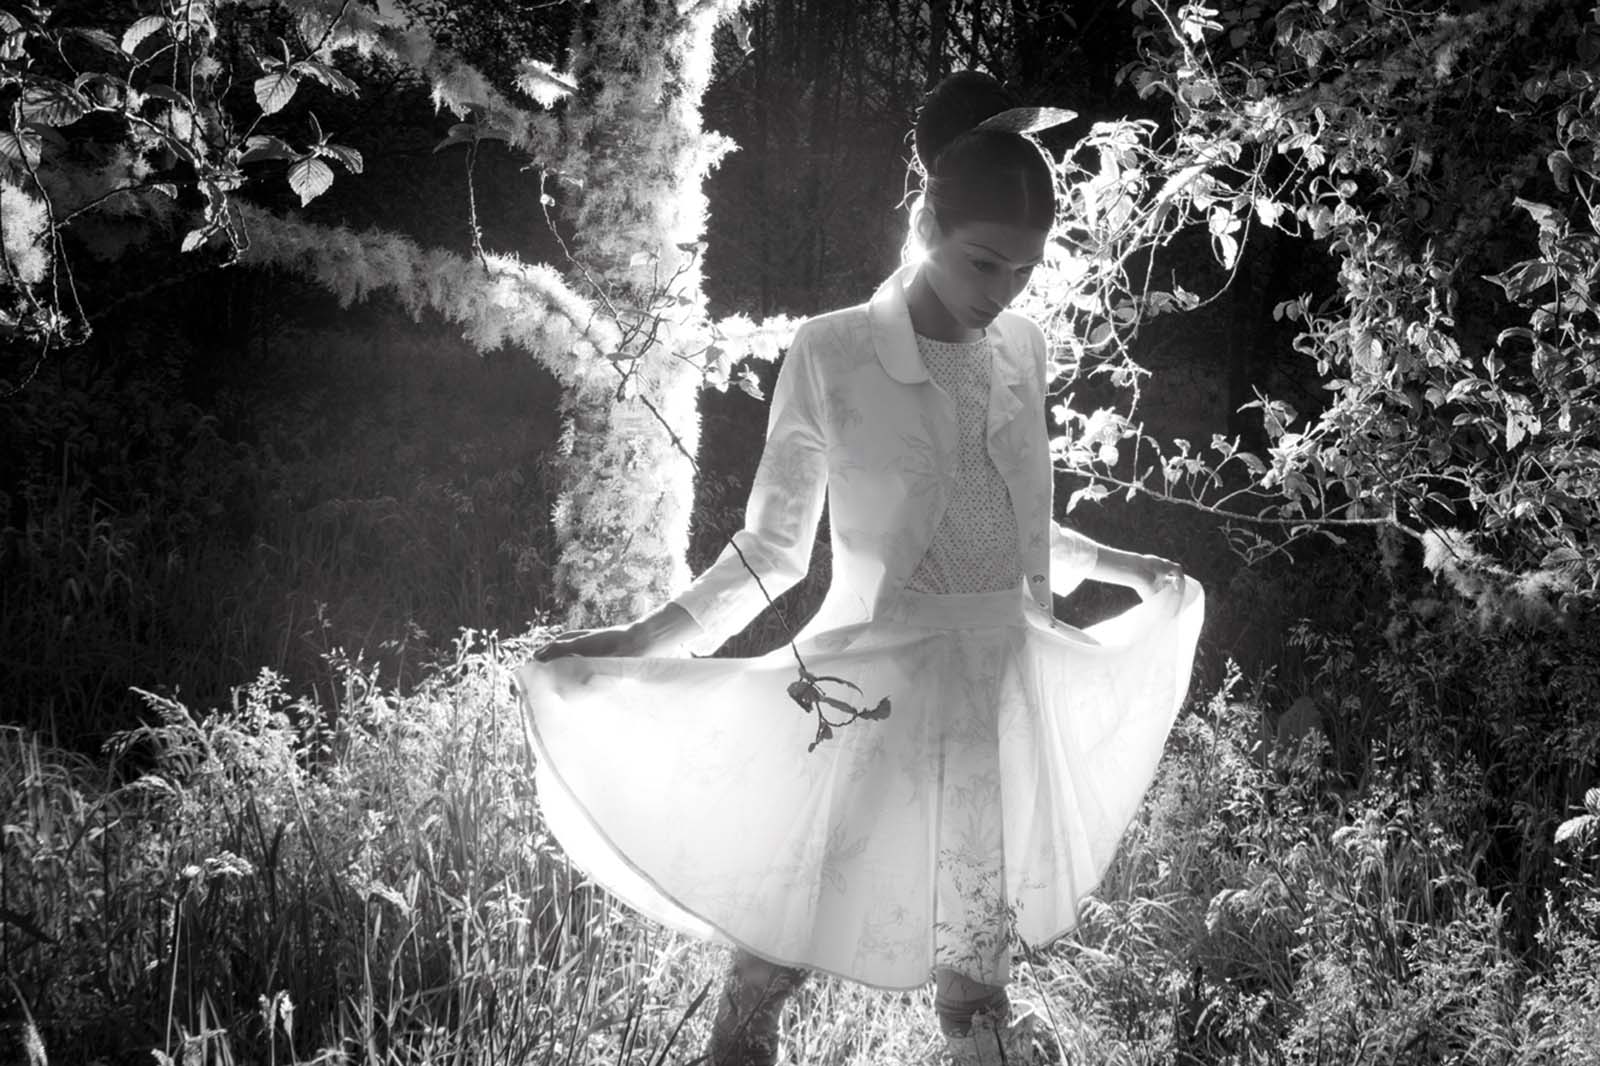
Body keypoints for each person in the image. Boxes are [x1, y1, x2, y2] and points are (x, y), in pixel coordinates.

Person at [518, 70, 1205, 1066]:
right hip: (871, 681)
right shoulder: (832, 352)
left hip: (997, 685)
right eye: (983, 263)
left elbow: (1014, 521)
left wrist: (1123, 566)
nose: (1003, 292)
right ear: (926, 227)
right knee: (788, 929)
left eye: (1025, 269)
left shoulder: (1021, 348)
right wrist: (640, 640)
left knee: (975, 971)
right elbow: (772, 550)